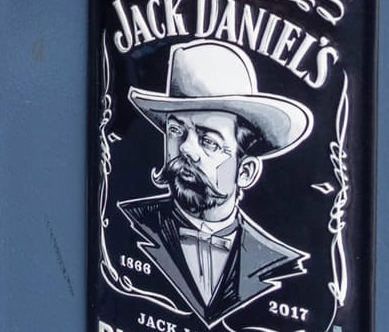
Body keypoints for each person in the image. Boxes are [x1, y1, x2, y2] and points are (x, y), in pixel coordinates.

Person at [118, 41, 312, 329]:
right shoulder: (122, 226)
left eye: (209, 141)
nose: (186, 149)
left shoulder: (284, 264)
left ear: (245, 171)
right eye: (176, 130)